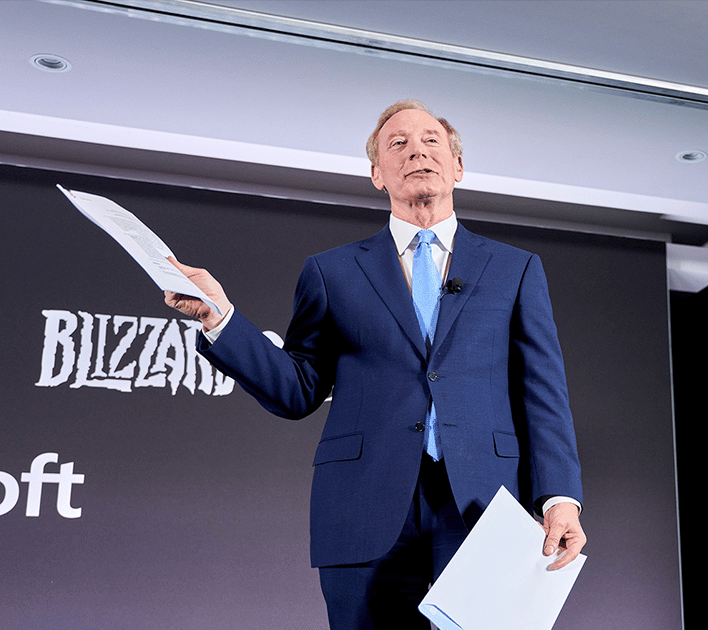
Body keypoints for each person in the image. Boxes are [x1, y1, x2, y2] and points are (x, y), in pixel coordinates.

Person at [164, 99, 585, 629]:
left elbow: (542, 393)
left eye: (431, 141)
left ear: (458, 166)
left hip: (485, 505)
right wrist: (220, 316)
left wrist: (560, 498)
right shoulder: (331, 272)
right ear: (376, 174)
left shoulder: (515, 269)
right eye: (398, 144)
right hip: (362, 506)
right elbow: (297, 388)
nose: (417, 152)